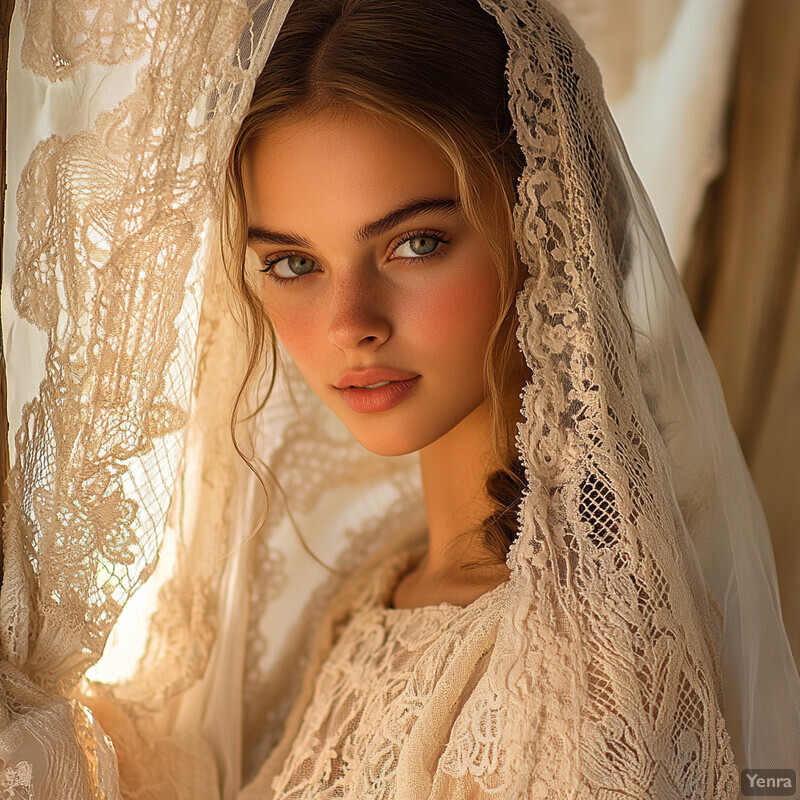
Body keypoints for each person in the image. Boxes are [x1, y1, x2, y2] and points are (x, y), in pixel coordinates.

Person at [216, 0, 800, 798]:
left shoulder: (580, 670)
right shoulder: (371, 593)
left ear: (549, 236)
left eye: (415, 243)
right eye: (292, 263)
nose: (350, 325)